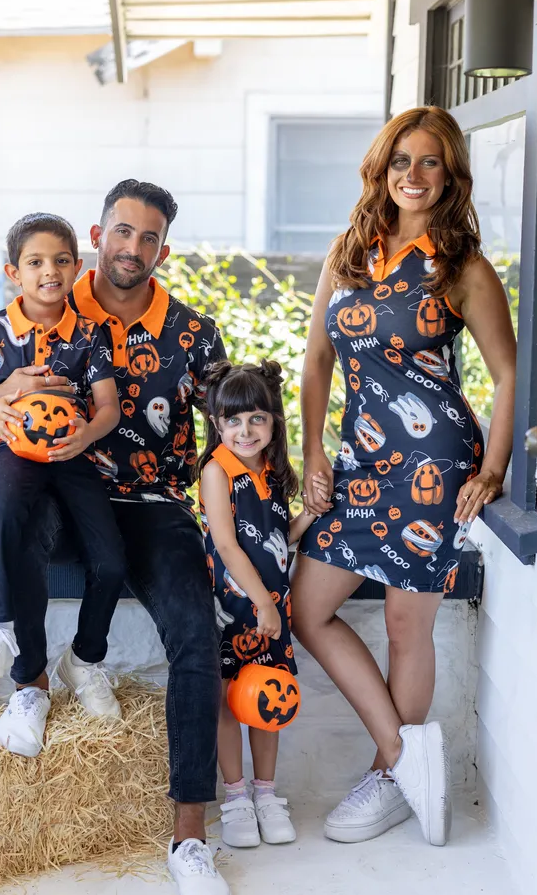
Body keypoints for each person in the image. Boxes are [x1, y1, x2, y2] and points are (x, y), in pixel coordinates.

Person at [0, 181, 231, 895]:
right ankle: (31, 682)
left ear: (161, 250)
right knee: (11, 519)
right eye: (121, 231)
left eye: (147, 237)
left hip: (150, 504)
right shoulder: (45, 304)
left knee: (198, 631)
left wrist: (270, 496)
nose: (131, 247)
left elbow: (234, 426)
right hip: (56, 486)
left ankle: (190, 838)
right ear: (95, 236)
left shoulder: (193, 333)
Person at [292, 106, 516, 847]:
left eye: (429, 164)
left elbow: (508, 371)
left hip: (432, 465)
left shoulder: (463, 268)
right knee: (308, 606)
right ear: (381, 170)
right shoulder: (350, 253)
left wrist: (493, 466)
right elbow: (317, 360)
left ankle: (391, 778)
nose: (413, 176)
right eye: (401, 162)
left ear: (449, 177)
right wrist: (314, 453)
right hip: (358, 461)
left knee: (402, 623)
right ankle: (406, 756)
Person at [0, 212, 128, 757]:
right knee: (4, 511)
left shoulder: (90, 335)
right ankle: (2, 629)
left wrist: (85, 437)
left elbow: (109, 407)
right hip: (15, 452)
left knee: (111, 560)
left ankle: (84, 657)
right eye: (35, 262)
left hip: (71, 456)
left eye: (60, 261)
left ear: (78, 268)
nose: (49, 271)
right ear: (13, 271)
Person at [197, 360, 321, 850]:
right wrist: (263, 605)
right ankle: (235, 799)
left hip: (274, 609)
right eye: (233, 420)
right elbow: (227, 546)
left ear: (273, 423)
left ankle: (266, 794)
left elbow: (275, 542)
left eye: (256, 419)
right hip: (237, 607)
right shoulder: (217, 471)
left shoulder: (271, 473)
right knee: (232, 701)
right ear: (217, 424)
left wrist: (307, 517)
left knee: (271, 694)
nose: (245, 430)